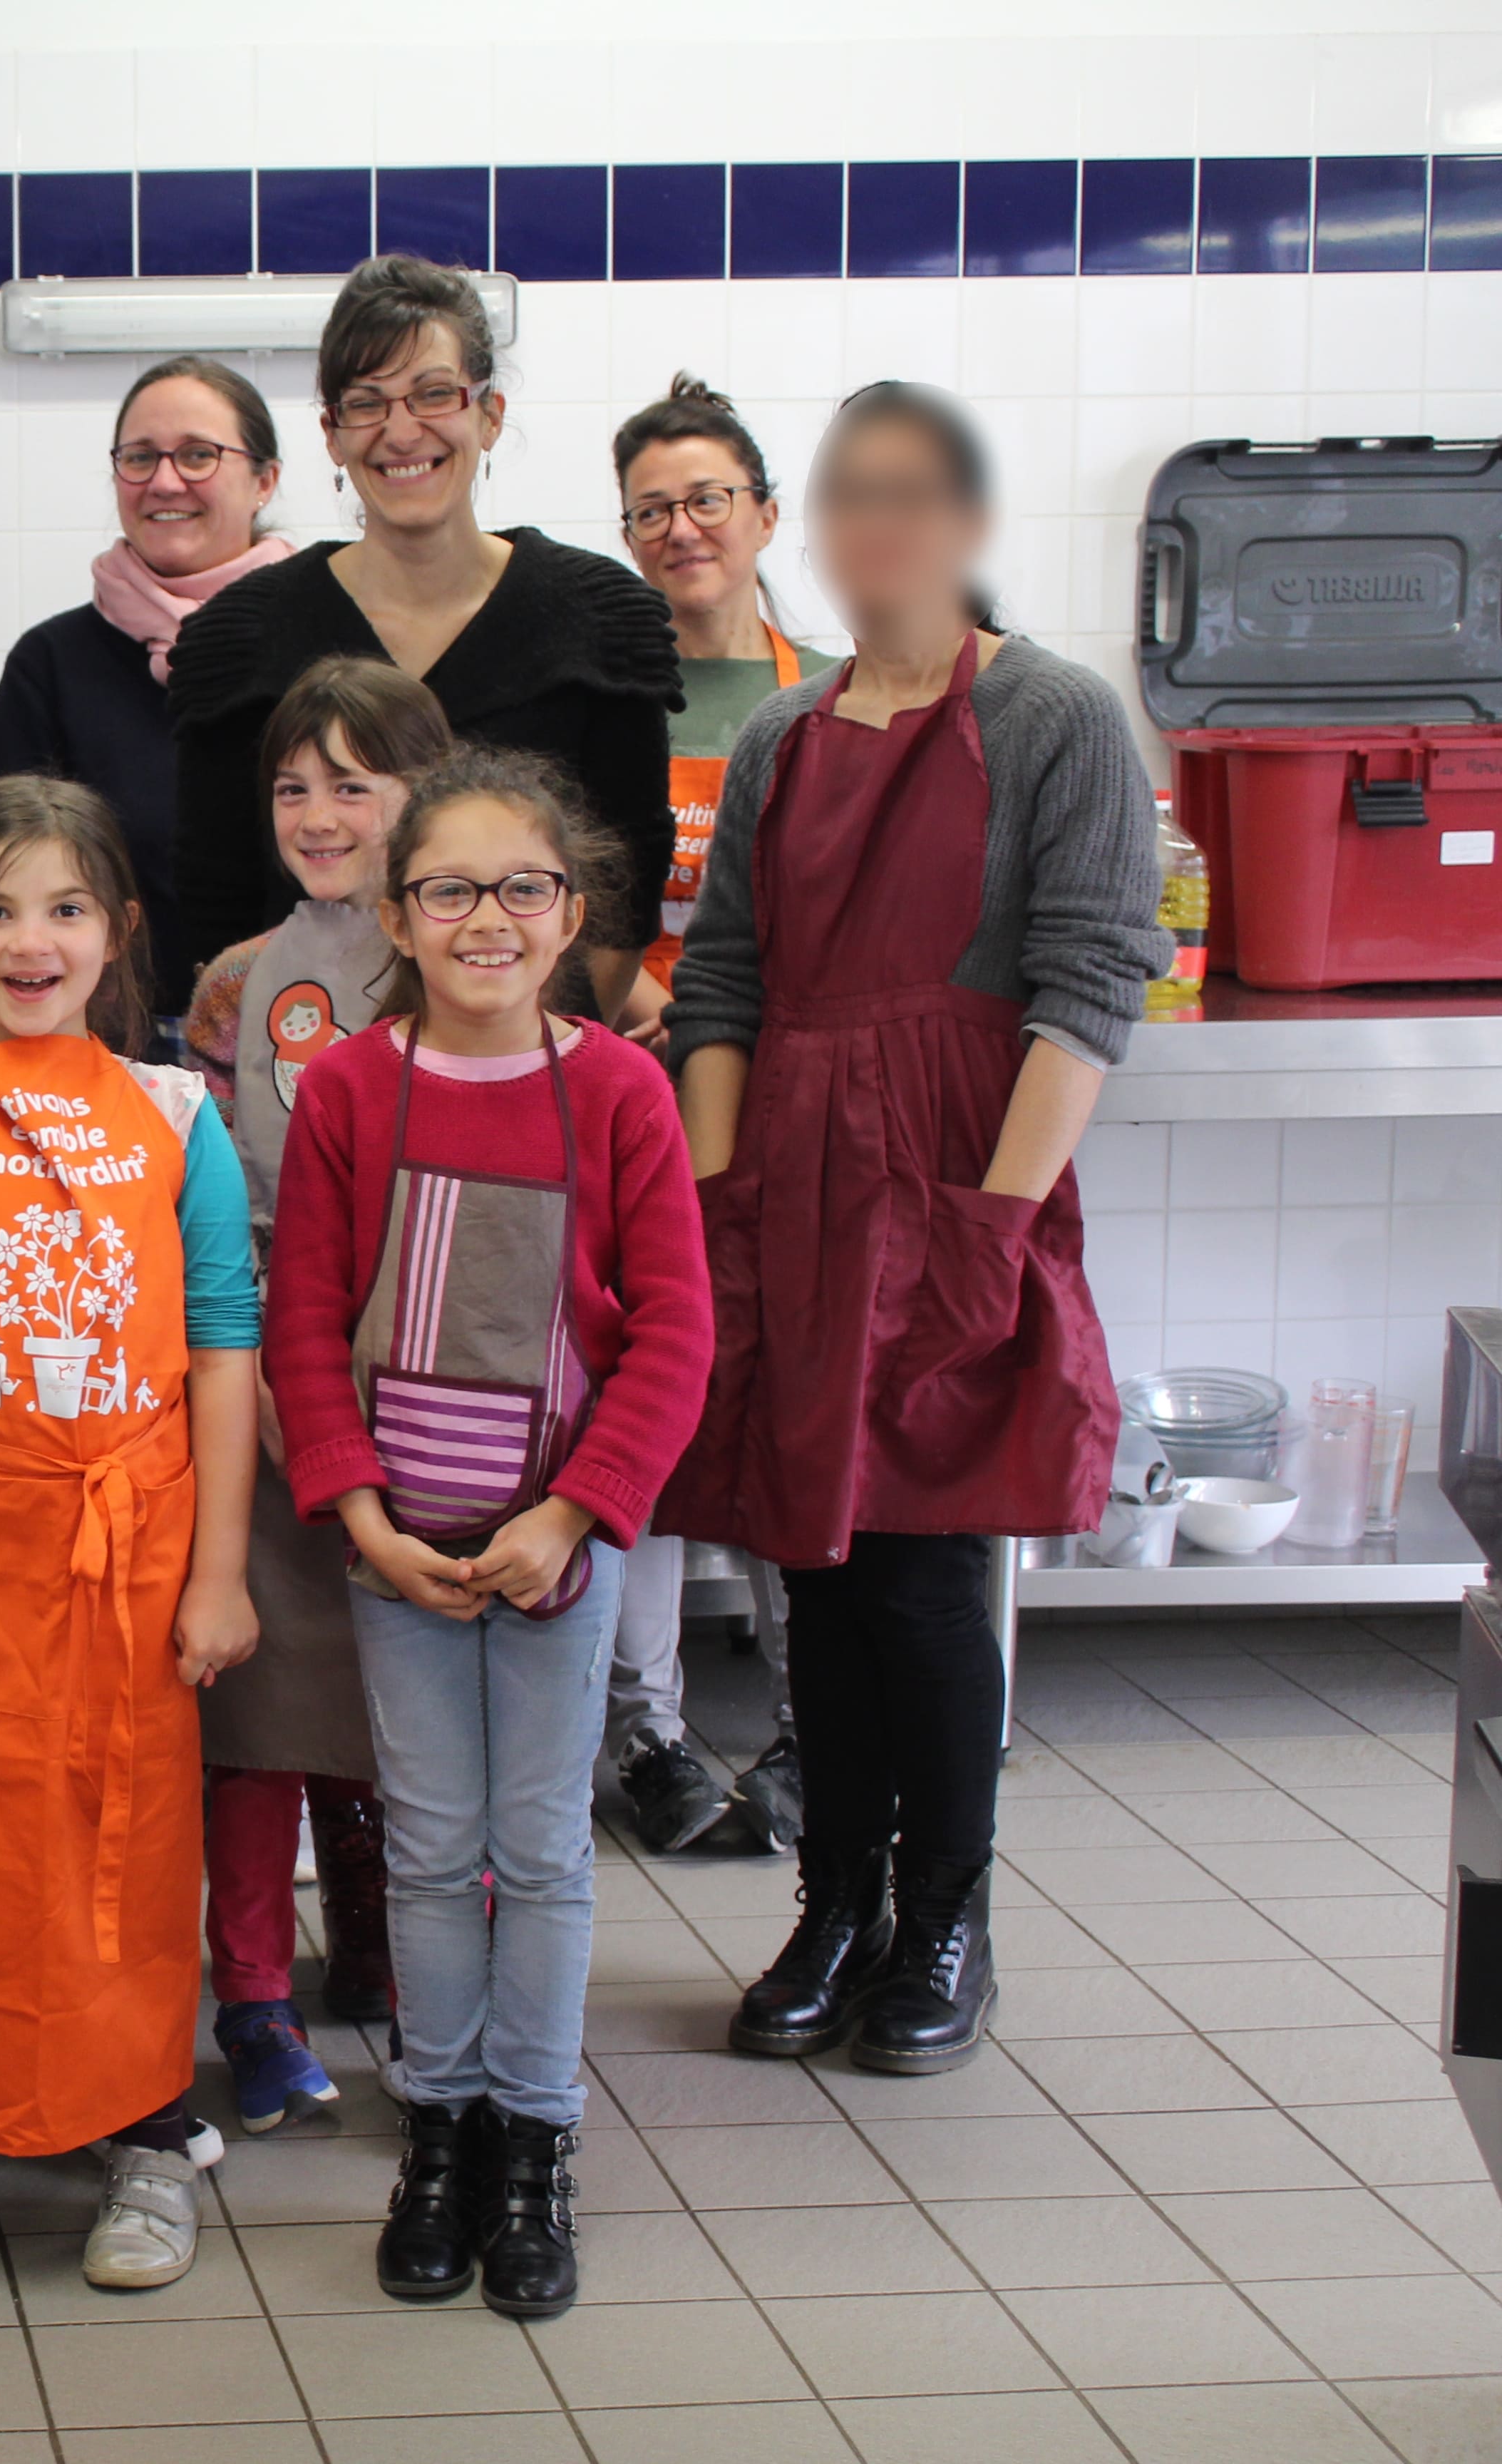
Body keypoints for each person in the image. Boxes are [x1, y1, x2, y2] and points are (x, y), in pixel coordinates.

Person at [667, 383, 1167, 2078]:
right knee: (814, 1569)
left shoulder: (1052, 718)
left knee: (931, 1578)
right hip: (793, 1183)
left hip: (959, 1172)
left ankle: (946, 1917)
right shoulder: (777, 739)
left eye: (910, 496)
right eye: (848, 496)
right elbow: (721, 979)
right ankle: (835, 1904)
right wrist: (722, 1210)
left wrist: (990, 1226)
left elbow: (1092, 982)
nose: (875, 528)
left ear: (963, 521)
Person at [265, 747, 709, 2320]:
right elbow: (307, 1326)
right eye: (449, 890)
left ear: (571, 908)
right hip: (404, 1556)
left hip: (555, 1558)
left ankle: (535, 2143)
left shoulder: (618, 1092)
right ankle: (438, 2133)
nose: (486, 919)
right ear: (399, 910)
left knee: (542, 1851)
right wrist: (365, 1518)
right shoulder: (348, 1091)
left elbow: (672, 1335)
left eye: (522, 888)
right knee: (432, 1851)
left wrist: (575, 1513)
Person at [0, 778, 262, 2311]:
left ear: (118, 934)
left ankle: (145, 2129)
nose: (33, 939)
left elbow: (223, 1339)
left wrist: (216, 1572)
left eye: (66, 908)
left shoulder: (176, 1112)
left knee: (128, 1842)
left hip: (133, 1557)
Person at [180, 657, 450, 2130]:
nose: (321, 811)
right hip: (276, 1386)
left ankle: (398, 1966)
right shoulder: (241, 981)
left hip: (433, 1386)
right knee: (266, 1707)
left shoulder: (462, 966)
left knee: (400, 1708)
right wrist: (268, 1381)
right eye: (296, 784)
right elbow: (214, 1208)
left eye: (358, 781)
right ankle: (254, 1994)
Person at [165, 257, 678, 1019]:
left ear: (490, 413)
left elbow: (617, 909)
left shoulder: (600, 626)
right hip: (302, 1082)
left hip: (531, 1079)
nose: (401, 432)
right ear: (332, 436)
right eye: (365, 404)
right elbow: (218, 910)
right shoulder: (242, 642)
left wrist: (517, 1062)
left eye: (434, 394)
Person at [600, 374, 848, 1859]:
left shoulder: (829, 692)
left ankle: (816, 1725)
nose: (681, 527)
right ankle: (651, 1738)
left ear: (763, 513)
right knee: (650, 1420)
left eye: (706, 498)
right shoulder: (611, 701)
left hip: (786, 1109)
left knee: (788, 1420)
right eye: (650, 508)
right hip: (637, 1110)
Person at [0, 355, 292, 1019]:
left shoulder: (317, 641)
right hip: (109, 1038)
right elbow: (13, 884)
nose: (164, 482)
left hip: (300, 1027)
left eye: (197, 456)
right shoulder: (49, 665)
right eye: (140, 458)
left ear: (265, 480)